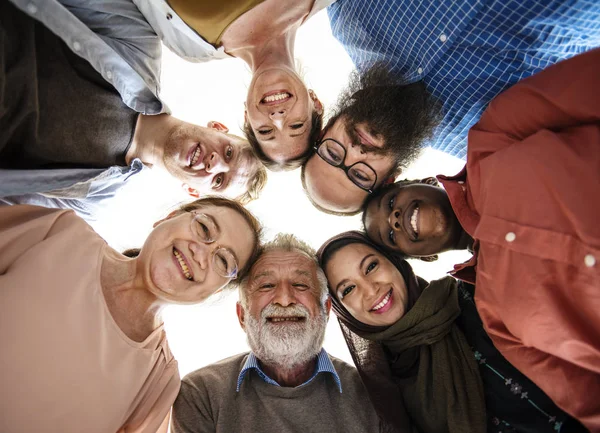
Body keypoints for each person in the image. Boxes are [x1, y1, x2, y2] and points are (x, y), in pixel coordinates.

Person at [362, 48, 600, 429]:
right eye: (390, 237)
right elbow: (588, 398)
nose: (393, 219)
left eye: (391, 202)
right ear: (418, 258)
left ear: (419, 182)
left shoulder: (497, 134)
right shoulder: (496, 316)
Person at [303, 0, 600, 214]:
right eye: (360, 175)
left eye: (332, 153)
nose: (356, 152)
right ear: (390, 179)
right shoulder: (484, 142)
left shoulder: (348, 16)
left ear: (325, 128)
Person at [0, 197, 262, 433]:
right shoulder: (60, 231)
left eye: (224, 261)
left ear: (214, 292)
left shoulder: (158, 383)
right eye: (204, 228)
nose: (202, 253)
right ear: (168, 217)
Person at [0, 2, 267, 220]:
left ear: (193, 192)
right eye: (228, 153)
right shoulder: (139, 45)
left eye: (219, 180)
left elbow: (11, 212)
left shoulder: (93, 203)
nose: (214, 164)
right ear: (217, 127)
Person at [9, 0, 332, 171]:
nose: (277, 118)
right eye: (296, 124)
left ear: (247, 116)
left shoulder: (190, 47)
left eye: (266, 131)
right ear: (314, 102)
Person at [317, 231, 589, 433]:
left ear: (394, 261)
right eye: (348, 289)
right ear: (342, 311)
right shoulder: (386, 390)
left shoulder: (475, 292)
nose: (370, 288)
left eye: (371, 266)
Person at [171, 233, 383, 433]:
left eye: (300, 285)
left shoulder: (374, 396)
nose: (284, 298)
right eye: (267, 285)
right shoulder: (200, 394)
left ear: (326, 310)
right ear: (242, 315)